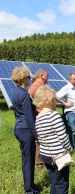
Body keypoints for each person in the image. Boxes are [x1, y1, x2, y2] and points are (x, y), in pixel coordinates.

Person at [28, 69, 73, 168]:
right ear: (42, 76)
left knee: (47, 139)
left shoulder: (42, 86)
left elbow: (54, 95)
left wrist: (64, 103)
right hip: (42, 117)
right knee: (40, 140)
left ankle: (46, 161)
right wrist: (37, 110)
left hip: (43, 116)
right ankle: (40, 164)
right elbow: (29, 99)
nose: (48, 78)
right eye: (47, 76)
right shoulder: (35, 86)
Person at [33, 85, 72, 193]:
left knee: (54, 182)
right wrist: (70, 148)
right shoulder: (54, 115)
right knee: (62, 185)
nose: (56, 102)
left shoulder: (38, 117)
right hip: (58, 156)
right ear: (49, 101)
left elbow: (40, 137)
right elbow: (63, 137)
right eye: (54, 99)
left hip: (46, 155)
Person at [11, 66, 40, 194]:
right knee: (29, 160)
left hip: (19, 128)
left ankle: (30, 185)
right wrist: (37, 136)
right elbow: (29, 117)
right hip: (26, 130)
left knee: (26, 160)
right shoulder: (24, 95)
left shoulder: (16, 93)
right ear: (23, 79)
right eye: (29, 77)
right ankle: (29, 189)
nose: (30, 79)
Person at [56, 73, 75, 152]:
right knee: (72, 130)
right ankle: (72, 147)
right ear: (70, 79)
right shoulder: (67, 88)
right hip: (71, 112)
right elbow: (56, 95)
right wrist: (65, 103)